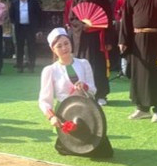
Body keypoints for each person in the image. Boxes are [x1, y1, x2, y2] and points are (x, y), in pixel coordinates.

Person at [38, 28, 113, 158]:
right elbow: (44, 99)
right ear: (53, 49)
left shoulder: (84, 63)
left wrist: (84, 86)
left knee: (104, 152)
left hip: (86, 109)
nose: (64, 48)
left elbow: (93, 90)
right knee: (63, 147)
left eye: (66, 43)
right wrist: (52, 117)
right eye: (59, 46)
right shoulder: (50, 70)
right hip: (66, 111)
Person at [69, 0, 114, 106]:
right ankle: (84, 93)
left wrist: (108, 40)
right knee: (82, 66)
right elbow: (72, 19)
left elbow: (108, 19)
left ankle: (101, 94)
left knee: (98, 65)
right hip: (82, 38)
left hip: (97, 38)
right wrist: (83, 26)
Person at [9, 0, 43, 73]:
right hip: (19, 27)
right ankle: (20, 66)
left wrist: (38, 29)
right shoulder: (14, 2)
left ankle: (31, 65)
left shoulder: (33, 2)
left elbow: (39, 15)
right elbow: (11, 14)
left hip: (30, 27)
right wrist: (14, 23)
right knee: (19, 46)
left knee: (31, 46)